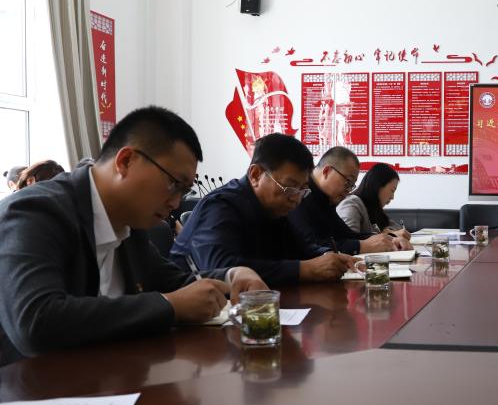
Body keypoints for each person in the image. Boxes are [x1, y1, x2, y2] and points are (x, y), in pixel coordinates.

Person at [0, 106, 267, 364]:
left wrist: (232, 276)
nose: (176, 202)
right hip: (34, 387)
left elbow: (177, 284)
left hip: (109, 377)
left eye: (184, 191)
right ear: (125, 161)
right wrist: (169, 306)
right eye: (173, 184)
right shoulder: (33, 212)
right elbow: (36, 322)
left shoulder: (130, 223)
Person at [171, 133, 359, 286]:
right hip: (195, 312)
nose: (296, 198)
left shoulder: (275, 209)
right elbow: (221, 269)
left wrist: (328, 256)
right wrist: (305, 270)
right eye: (290, 187)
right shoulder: (221, 206)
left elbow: (301, 248)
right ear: (255, 175)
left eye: (303, 190)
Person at [288, 147, 409, 254]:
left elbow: (346, 235)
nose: (349, 190)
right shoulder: (302, 193)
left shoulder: (325, 199)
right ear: (327, 171)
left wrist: (389, 239)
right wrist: (361, 246)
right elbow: (311, 246)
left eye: (352, 185)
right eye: (348, 182)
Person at [337, 162, 410, 239]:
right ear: (378, 185)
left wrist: (388, 232)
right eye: (392, 190)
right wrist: (389, 234)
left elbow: (398, 229)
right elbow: (347, 240)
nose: (392, 197)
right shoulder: (351, 203)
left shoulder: (375, 209)